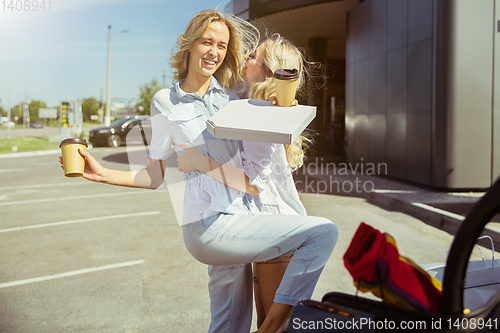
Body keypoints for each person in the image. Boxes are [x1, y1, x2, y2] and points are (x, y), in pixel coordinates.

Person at [60, 10, 337, 333]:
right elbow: (153, 176)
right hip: (208, 225)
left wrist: (280, 104)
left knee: (228, 324)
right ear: (188, 45)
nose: (214, 52)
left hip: (244, 221)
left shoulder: (234, 99)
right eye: (207, 42)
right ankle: (272, 328)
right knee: (322, 234)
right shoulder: (164, 101)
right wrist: (101, 172)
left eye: (221, 45)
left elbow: (251, 180)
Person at [177, 33, 315, 329]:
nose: (246, 58)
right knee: (272, 324)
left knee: (274, 327)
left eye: (254, 56)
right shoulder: (259, 107)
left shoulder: (259, 112)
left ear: (267, 70)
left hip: (279, 231)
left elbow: (252, 183)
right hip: (272, 230)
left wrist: (200, 162)